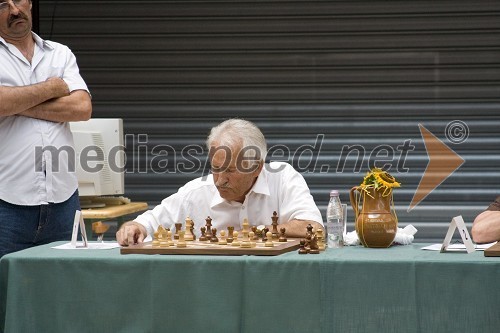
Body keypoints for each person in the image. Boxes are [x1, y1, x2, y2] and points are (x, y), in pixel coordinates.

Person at [117, 119, 323, 246]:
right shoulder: (196, 193)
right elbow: (147, 223)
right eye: (215, 168)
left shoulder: (284, 179)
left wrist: (258, 232)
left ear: (257, 168)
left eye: (230, 171)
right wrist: (134, 227)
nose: (220, 180)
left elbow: (314, 228)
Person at [0, 0, 92, 257]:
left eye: (18, 0)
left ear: (29, 3)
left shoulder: (60, 53)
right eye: (2, 5)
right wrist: (51, 89)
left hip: (63, 201)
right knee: (6, 290)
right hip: (6, 203)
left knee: (61, 288)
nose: (14, 10)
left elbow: (82, 108)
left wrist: (14, 104)